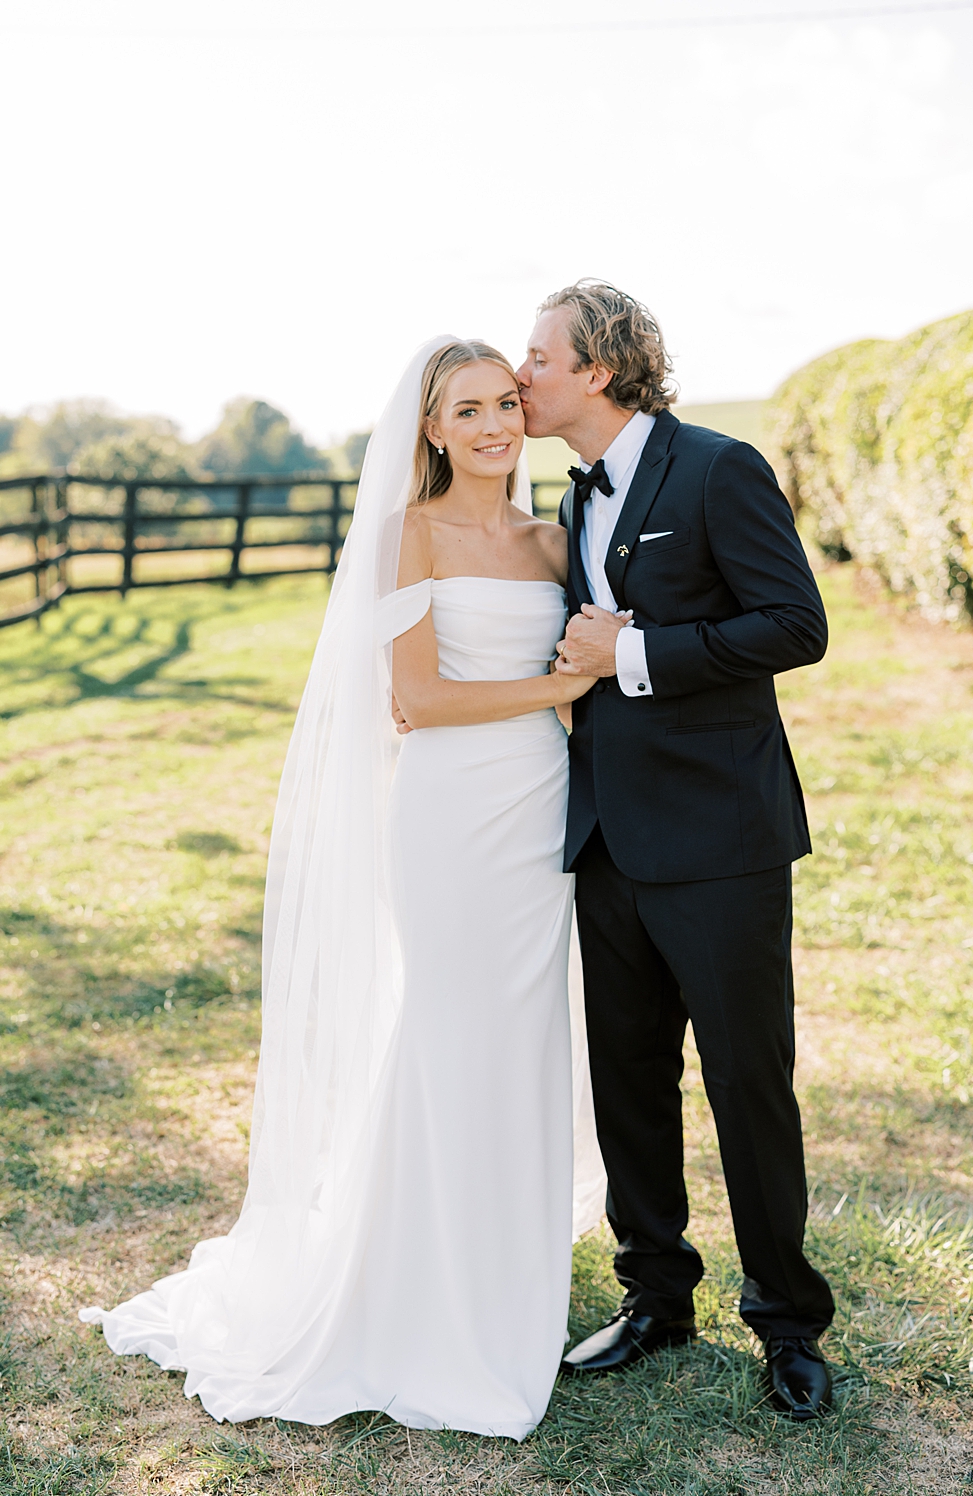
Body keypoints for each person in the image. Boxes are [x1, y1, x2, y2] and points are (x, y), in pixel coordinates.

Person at [81, 338, 598, 1438]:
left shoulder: (555, 541)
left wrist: (581, 680)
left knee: (526, 1037)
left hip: (540, 811)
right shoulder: (406, 534)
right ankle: (409, 1286)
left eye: (507, 402)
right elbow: (415, 697)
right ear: (431, 429)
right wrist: (557, 682)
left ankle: (506, 1277)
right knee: (447, 1031)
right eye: (468, 409)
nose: (496, 424)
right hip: (452, 812)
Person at [522, 280, 838, 1421]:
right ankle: (656, 1293)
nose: (521, 374)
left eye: (538, 355)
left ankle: (789, 1321)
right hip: (603, 832)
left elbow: (794, 625)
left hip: (720, 839)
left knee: (747, 1082)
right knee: (628, 1081)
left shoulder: (716, 468)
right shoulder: (568, 498)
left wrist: (636, 650)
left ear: (598, 368)